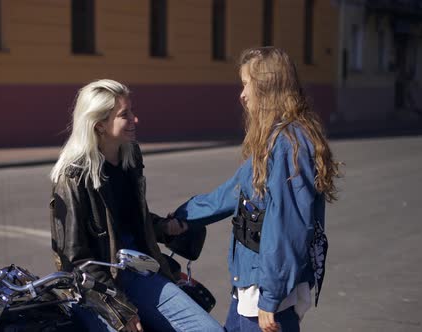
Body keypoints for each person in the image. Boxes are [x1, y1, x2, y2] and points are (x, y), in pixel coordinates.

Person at [166, 47, 341, 332]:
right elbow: (233, 192)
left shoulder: (286, 144)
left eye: (248, 84)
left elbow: (288, 227)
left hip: (266, 293)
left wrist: (270, 298)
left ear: (268, 88)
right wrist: (183, 216)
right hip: (251, 288)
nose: (242, 94)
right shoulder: (274, 138)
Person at [49, 79, 223, 332]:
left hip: (139, 268)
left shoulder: (129, 155)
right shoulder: (72, 176)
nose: (135, 119)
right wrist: (119, 308)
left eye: (131, 111)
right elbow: (74, 260)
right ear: (99, 124)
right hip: (98, 286)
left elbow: (127, 220)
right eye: (124, 115)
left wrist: (163, 227)